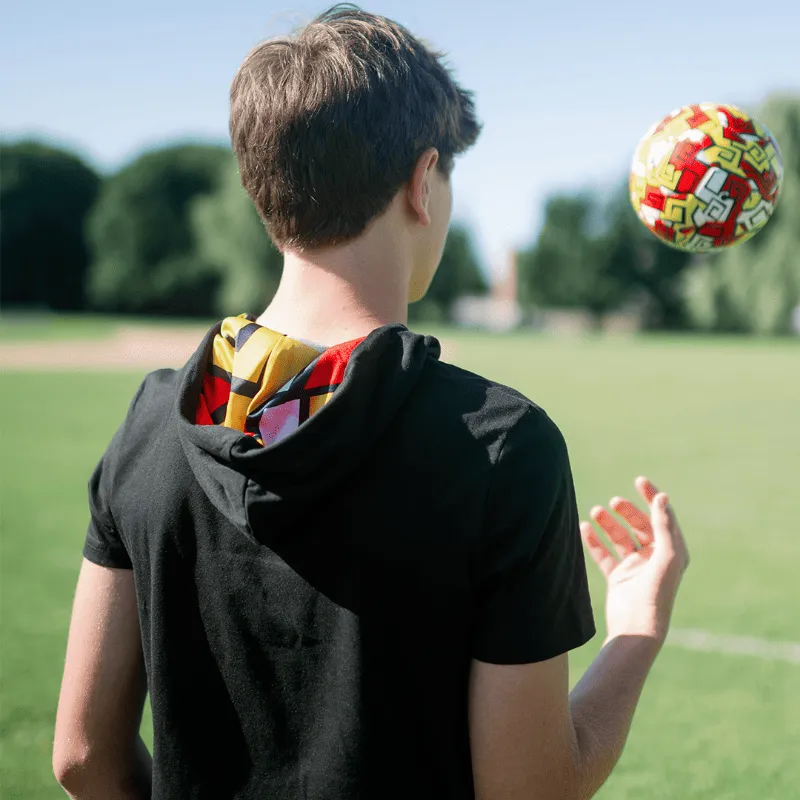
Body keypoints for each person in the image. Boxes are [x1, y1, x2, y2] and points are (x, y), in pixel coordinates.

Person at [53, 6, 690, 799]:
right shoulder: (500, 446)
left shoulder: (151, 422)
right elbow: (530, 791)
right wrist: (637, 628)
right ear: (423, 182)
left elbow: (82, 756)